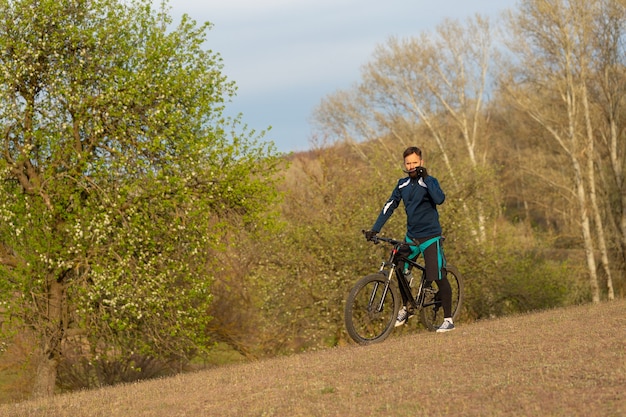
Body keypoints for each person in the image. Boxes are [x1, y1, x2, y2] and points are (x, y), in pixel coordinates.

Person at [364, 146, 455, 332]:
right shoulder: (402, 184)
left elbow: (440, 199)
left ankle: (448, 319)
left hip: (430, 237)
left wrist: (427, 178)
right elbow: (389, 206)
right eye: (408, 163)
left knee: (437, 275)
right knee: (398, 266)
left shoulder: (430, 181)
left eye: (415, 162)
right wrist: (375, 229)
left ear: (421, 162)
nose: (411, 166)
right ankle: (408, 307)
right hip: (411, 238)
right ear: (404, 164)